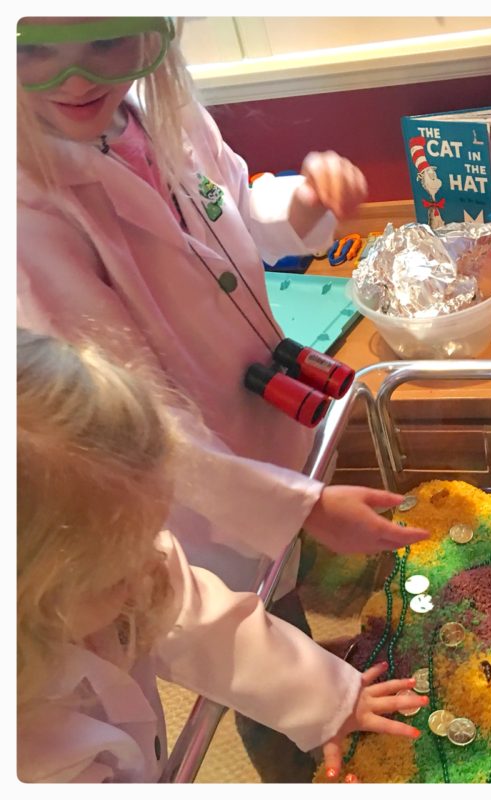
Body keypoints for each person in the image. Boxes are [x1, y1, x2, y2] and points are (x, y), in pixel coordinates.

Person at [16, 15, 428, 591]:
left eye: (105, 43)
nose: (76, 79)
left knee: (290, 566)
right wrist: (297, 509)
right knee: (253, 611)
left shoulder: (166, 117)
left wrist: (305, 203)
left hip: (267, 411)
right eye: (35, 52)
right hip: (201, 482)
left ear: (151, 35)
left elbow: (233, 207)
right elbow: (129, 417)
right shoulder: (28, 216)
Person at [16, 328, 428, 782]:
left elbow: (197, 619)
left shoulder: (111, 574)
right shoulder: (30, 751)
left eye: (154, 533)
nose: (153, 567)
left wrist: (328, 699)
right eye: (116, 575)